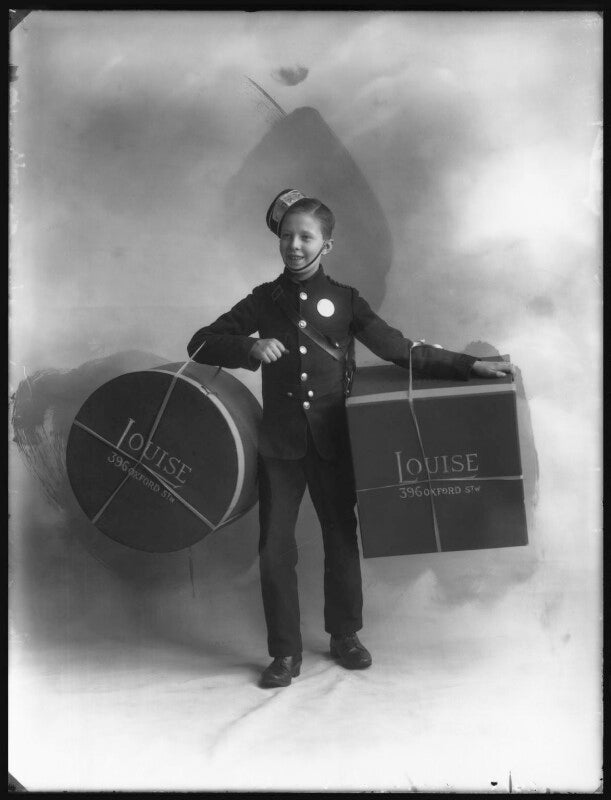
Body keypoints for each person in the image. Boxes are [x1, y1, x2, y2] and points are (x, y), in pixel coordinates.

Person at [187, 189, 514, 689]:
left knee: (341, 541)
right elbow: (201, 341)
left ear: (326, 245)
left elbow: (399, 349)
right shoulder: (262, 300)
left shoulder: (345, 299)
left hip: (334, 443)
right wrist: (250, 346)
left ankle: (345, 636)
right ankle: (285, 655)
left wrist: (467, 365)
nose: (294, 245)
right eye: (287, 236)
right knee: (275, 549)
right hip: (280, 447)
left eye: (306, 237)